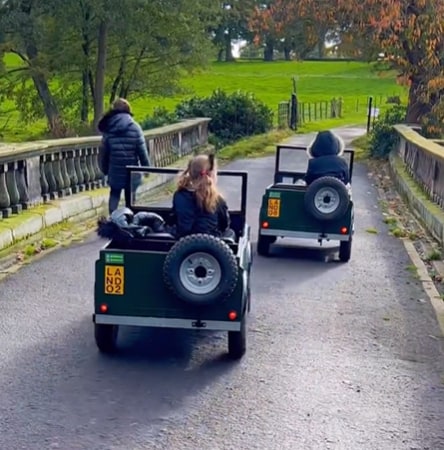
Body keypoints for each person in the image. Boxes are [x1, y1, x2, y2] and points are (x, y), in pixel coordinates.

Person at [98, 98, 150, 214]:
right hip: (132, 171)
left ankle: (113, 219)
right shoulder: (135, 128)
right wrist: (147, 169)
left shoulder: (108, 128)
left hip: (115, 170)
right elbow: (142, 151)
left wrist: (105, 170)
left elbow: (104, 152)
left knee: (114, 194)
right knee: (130, 198)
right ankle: (130, 221)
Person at [172, 153, 231, 238]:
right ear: (211, 175)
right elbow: (224, 225)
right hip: (212, 246)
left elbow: (175, 219)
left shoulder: (179, 195)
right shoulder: (217, 199)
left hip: (183, 244)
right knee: (231, 233)